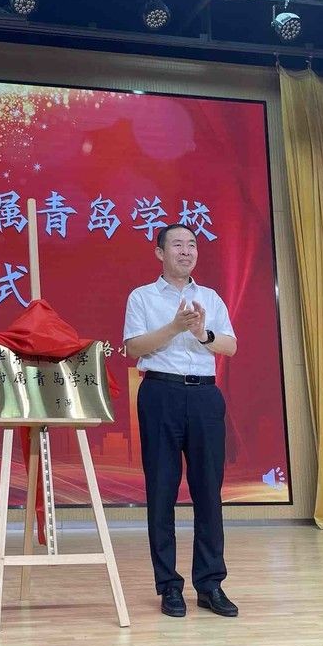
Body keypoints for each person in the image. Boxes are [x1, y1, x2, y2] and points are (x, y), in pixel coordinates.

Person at [122, 223, 239, 618]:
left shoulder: (210, 297)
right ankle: (169, 587)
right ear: (160, 253)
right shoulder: (142, 297)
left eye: (191, 244)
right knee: (162, 490)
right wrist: (174, 327)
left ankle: (210, 584)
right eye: (177, 244)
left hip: (205, 395)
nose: (186, 251)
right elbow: (133, 347)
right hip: (160, 392)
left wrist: (203, 333)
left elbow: (230, 346)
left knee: (209, 491)